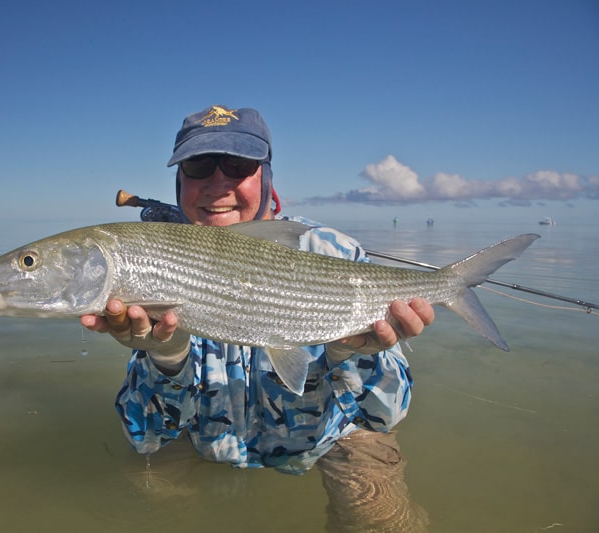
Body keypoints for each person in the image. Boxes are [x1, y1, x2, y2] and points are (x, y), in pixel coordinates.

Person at [81, 105, 433, 529]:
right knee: (145, 495)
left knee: (382, 520)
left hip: (331, 438)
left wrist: (350, 352)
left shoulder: (335, 252)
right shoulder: (151, 260)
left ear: (266, 177)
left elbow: (383, 416)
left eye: (238, 165)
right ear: (179, 181)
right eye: (198, 165)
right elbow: (146, 436)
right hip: (202, 439)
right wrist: (167, 356)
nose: (217, 184)